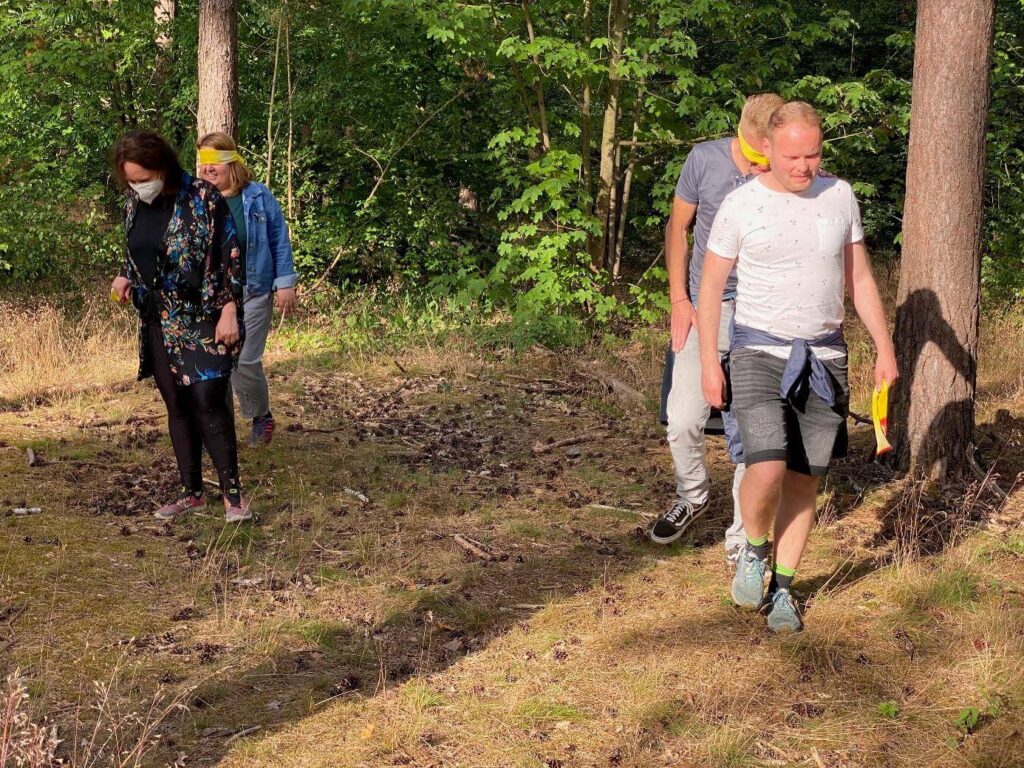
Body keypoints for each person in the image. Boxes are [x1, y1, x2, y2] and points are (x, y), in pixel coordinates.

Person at [696, 101, 898, 632]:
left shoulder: (840, 197)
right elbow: (711, 287)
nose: (803, 166)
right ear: (767, 147)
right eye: (792, 156)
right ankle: (755, 549)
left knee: (806, 481)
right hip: (757, 351)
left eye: (813, 154)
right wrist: (707, 364)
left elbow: (860, 281)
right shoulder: (742, 205)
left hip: (825, 356)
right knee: (766, 466)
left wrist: (884, 347)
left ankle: (783, 591)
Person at [651, 93, 784, 560]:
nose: (755, 165)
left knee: (748, 431)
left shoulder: (790, 171)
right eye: (750, 154)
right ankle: (691, 497)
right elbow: (677, 226)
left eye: (762, 157)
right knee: (683, 418)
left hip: (760, 313)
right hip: (705, 307)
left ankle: (742, 535)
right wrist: (678, 299)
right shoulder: (703, 159)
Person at [109, 131, 251, 522]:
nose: (139, 186)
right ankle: (192, 493)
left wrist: (228, 310)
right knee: (176, 405)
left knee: (208, 401)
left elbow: (230, 255)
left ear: (164, 167)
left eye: (144, 178)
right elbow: (138, 249)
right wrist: (126, 276)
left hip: (202, 316)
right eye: (132, 181)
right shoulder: (133, 204)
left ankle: (233, 498)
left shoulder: (203, 197)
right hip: (158, 318)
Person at [196, 132, 298, 446]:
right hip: (210, 296)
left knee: (244, 361)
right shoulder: (195, 199)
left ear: (231, 161)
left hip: (253, 291)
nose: (208, 169)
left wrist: (285, 284)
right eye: (203, 162)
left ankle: (260, 415)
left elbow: (279, 240)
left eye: (215, 161)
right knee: (214, 363)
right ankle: (218, 426)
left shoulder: (257, 196)